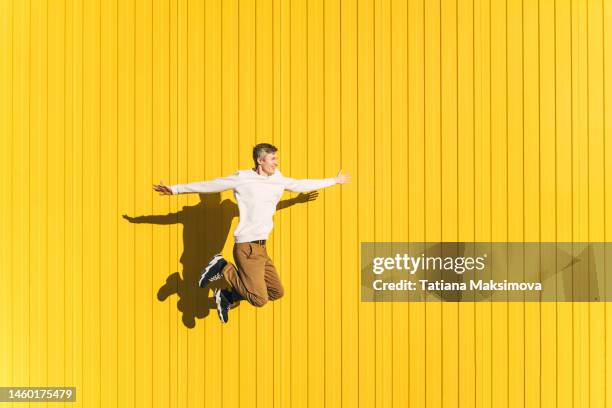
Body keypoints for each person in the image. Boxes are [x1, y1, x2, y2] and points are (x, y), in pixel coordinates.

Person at [153, 143, 351, 323]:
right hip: (247, 247)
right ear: (260, 160)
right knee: (259, 299)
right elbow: (210, 185)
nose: (276, 162)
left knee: (276, 291)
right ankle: (222, 267)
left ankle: (228, 296)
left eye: (276, 158)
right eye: (272, 158)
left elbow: (301, 184)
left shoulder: (278, 180)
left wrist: (334, 180)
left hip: (261, 249)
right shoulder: (243, 179)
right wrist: (175, 190)